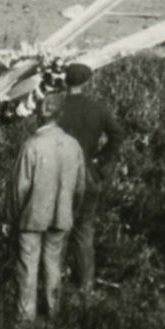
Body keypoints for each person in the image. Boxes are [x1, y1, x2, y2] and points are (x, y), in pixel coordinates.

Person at [54, 61, 129, 293]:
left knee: (58, 229)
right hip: (87, 173)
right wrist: (100, 160)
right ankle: (86, 284)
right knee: (84, 230)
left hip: (59, 174)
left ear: (65, 81)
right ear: (87, 82)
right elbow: (118, 134)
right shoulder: (97, 108)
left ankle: (54, 282)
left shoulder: (56, 108)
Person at [10, 101, 87, 321]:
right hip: (62, 214)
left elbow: (19, 187)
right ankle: (54, 312)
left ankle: (26, 317)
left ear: (38, 116)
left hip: (32, 216)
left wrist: (12, 215)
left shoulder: (32, 145)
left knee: (28, 266)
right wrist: (72, 211)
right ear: (59, 116)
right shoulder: (73, 145)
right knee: (53, 264)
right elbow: (80, 186)